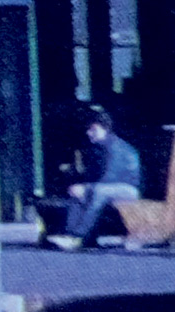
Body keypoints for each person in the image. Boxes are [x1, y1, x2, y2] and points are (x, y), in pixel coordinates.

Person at [49, 107, 142, 250]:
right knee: (79, 193)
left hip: (128, 189)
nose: (89, 133)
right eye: (88, 129)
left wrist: (86, 187)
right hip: (109, 188)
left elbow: (110, 178)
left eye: (93, 129)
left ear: (105, 129)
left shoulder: (116, 148)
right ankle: (70, 234)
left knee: (97, 191)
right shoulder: (98, 147)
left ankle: (78, 236)